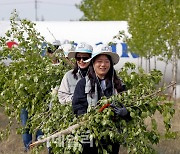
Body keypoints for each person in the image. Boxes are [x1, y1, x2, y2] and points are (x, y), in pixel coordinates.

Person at [72, 44, 130, 154]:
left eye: (106, 61)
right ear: (93, 63)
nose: (103, 65)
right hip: (89, 133)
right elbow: (78, 106)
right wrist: (88, 119)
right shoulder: (83, 84)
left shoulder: (119, 84)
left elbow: (128, 105)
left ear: (111, 64)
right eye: (99, 61)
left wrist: (126, 113)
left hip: (112, 132)